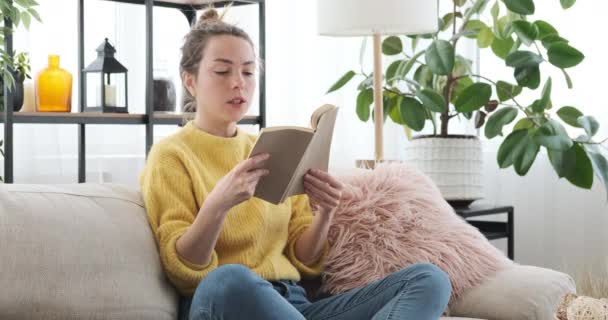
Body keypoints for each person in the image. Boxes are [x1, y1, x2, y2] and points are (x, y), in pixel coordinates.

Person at [139, 8, 451, 320]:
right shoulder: (171, 155)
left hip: (295, 305)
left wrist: (325, 213)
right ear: (189, 81)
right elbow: (183, 269)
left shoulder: (271, 148)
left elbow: (304, 258)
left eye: (248, 72)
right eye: (222, 72)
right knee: (229, 278)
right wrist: (218, 205)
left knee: (428, 278)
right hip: (226, 300)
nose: (239, 83)